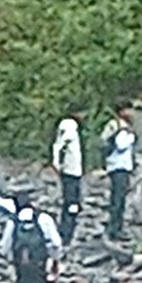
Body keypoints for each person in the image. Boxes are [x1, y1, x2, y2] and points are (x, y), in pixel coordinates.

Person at [100, 99, 137, 240]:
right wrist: (130, 136)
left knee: (120, 198)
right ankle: (114, 229)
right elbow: (121, 145)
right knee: (118, 198)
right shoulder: (119, 127)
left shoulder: (117, 125)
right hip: (118, 166)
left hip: (121, 166)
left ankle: (117, 226)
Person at [52, 104, 86, 246]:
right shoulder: (70, 125)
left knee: (71, 202)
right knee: (71, 203)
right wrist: (57, 163)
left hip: (72, 170)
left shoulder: (68, 125)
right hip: (71, 171)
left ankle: (66, 231)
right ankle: (66, 233)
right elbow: (61, 145)